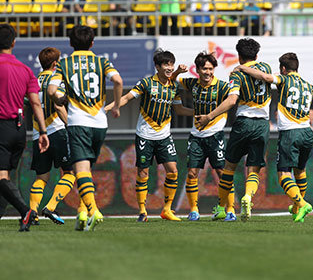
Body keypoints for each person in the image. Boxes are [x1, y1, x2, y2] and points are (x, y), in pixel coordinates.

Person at [234, 52, 313, 223]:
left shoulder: (284, 79)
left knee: (283, 175)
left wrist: (243, 67)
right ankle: (296, 208)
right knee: (300, 171)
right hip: (307, 134)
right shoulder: (310, 86)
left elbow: (264, 76)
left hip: (290, 133)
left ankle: (301, 204)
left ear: (283, 68)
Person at [48, 25, 123, 231]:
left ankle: (93, 209)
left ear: (71, 43)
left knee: (80, 170)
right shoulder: (102, 61)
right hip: (99, 123)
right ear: (92, 43)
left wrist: (61, 97)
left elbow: (52, 89)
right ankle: (82, 212)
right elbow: (117, 80)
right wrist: (116, 105)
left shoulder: (64, 63)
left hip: (78, 122)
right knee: (87, 170)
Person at [105, 49, 192, 222]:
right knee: (143, 173)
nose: (169, 68)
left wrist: (199, 113)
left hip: (164, 135)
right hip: (145, 135)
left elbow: (179, 109)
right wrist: (107, 109)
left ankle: (167, 210)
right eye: (166, 64)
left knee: (173, 171)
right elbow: (127, 98)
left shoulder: (174, 86)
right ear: (157, 67)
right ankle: (143, 211)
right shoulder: (146, 83)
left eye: (171, 64)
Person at [196, 38, 271, 222]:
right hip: (262, 124)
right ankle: (247, 197)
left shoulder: (236, 74)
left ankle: (221, 207)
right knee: (253, 169)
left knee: (229, 167)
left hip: (243, 123)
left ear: (239, 56)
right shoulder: (267, 68)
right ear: (257, 55)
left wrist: (208, 116)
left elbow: (231, 101)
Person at [172, 53, 236, 221]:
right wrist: (178, 72)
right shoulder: (191, 83)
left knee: (223, 173)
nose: (208, 72)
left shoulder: (222, 87)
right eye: (204, 69)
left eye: (210, 68)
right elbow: (171, 80)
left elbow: (232, 100)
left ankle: (230, 209)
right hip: (196, 136)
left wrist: (210, 116)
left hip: (216, 135)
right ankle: (194, 210)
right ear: (197, 70)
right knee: (192, 173)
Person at [0, 23, 49, 232]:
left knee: (1, 178)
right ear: (13, 43)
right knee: (5, 177)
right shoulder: (26, 70)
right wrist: (43, 131)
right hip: (20, 130)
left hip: (1, 126)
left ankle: (26, 211)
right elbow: (36, 103)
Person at [28, 47, 80, 226]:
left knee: (41, 177)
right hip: (56, 131)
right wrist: (71, 125)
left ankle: (32, 212)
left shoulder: (34, 80)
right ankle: (50, 207)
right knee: (70, 172)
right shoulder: (56, 79)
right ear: (55, 63)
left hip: (38, 134)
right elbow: (58, 106)